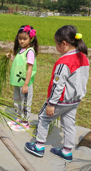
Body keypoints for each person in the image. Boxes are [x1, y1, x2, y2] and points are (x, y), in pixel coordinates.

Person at [25, 25, 89, 162]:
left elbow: (57, 85)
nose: (56, 47)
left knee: (43, 118)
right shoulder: (84, 57)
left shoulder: (64, 62)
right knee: (69, 124)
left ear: (64, 44)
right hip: (74, 100)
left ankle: (39, 146)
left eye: (56, 44)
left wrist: (51, 103)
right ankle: (66, 151)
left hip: (60, 100)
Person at [6, 25, 38, 131]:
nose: (22, 41)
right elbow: (19, 63)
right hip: (18, 82)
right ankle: (19, 118)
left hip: (24, 83)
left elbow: (29, 69)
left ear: (31, 39)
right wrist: (10, 57)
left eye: (25, 39)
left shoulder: (30, 52)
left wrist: (26, 84)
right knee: (17, 100)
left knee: (24, 103)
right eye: (20, 38)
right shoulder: (21, 50)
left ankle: (25, 122)